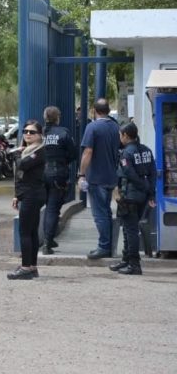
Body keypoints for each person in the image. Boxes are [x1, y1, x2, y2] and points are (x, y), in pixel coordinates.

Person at [109, 123, 156, 275]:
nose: (120, 138)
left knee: (130, 230)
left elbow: (128, 173)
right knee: (130, 228)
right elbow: (153, 173)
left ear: (126, 136)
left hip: (130, 195)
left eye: (120, 135)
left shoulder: (127, 153)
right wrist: (150, 192)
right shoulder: (147, 151)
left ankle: (134, 264)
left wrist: (141, 185)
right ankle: (126, 260)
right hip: (143, 195)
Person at [78, 98, 121, 259]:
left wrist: (82, 174)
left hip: (97, 177)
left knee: (100, 214)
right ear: (108, 110)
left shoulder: (93, 127)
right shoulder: (115, 126)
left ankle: (104, 246)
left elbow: (88, 152)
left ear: (94, 111)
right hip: (111, 176)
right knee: (107, 212)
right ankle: (109, 245)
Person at [8, 120, 46, 280]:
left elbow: (22, 165)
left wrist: (17, 154)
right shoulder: (28, 150)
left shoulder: (39, 151)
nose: (27, 134)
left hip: (34, 194)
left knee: (25, 231)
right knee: (30, 231)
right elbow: (20, 177)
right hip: (28, 193)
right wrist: (18, 195)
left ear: (40, 135)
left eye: (32, 132)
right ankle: (31, 266)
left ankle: (26, 267)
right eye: (25, 131)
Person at [41, 106, 77, 255]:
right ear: (58, 118)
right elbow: (74, 153)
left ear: (45, 118)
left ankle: (49, 238)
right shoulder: (63, 133)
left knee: (48, 207)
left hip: (41, 173)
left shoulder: (39, 133)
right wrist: (63, 162)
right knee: (52, 208)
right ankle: (47, 242)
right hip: (58, 173)